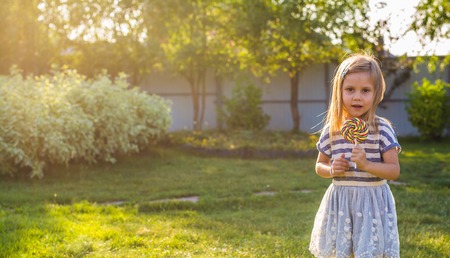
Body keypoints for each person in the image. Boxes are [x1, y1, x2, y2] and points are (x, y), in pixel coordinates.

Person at [309, 53, 401, 258]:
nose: (357, 96)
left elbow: (394, 171)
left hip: (372, 203)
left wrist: (366, 164)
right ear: (339, 92)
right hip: (342, 203)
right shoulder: (332, 130)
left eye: (365, 90)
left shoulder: (382, 129)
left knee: (370, 251)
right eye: (350, 89)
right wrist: (332, 169)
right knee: (344, 251)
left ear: (376, 94)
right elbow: (319, 165)